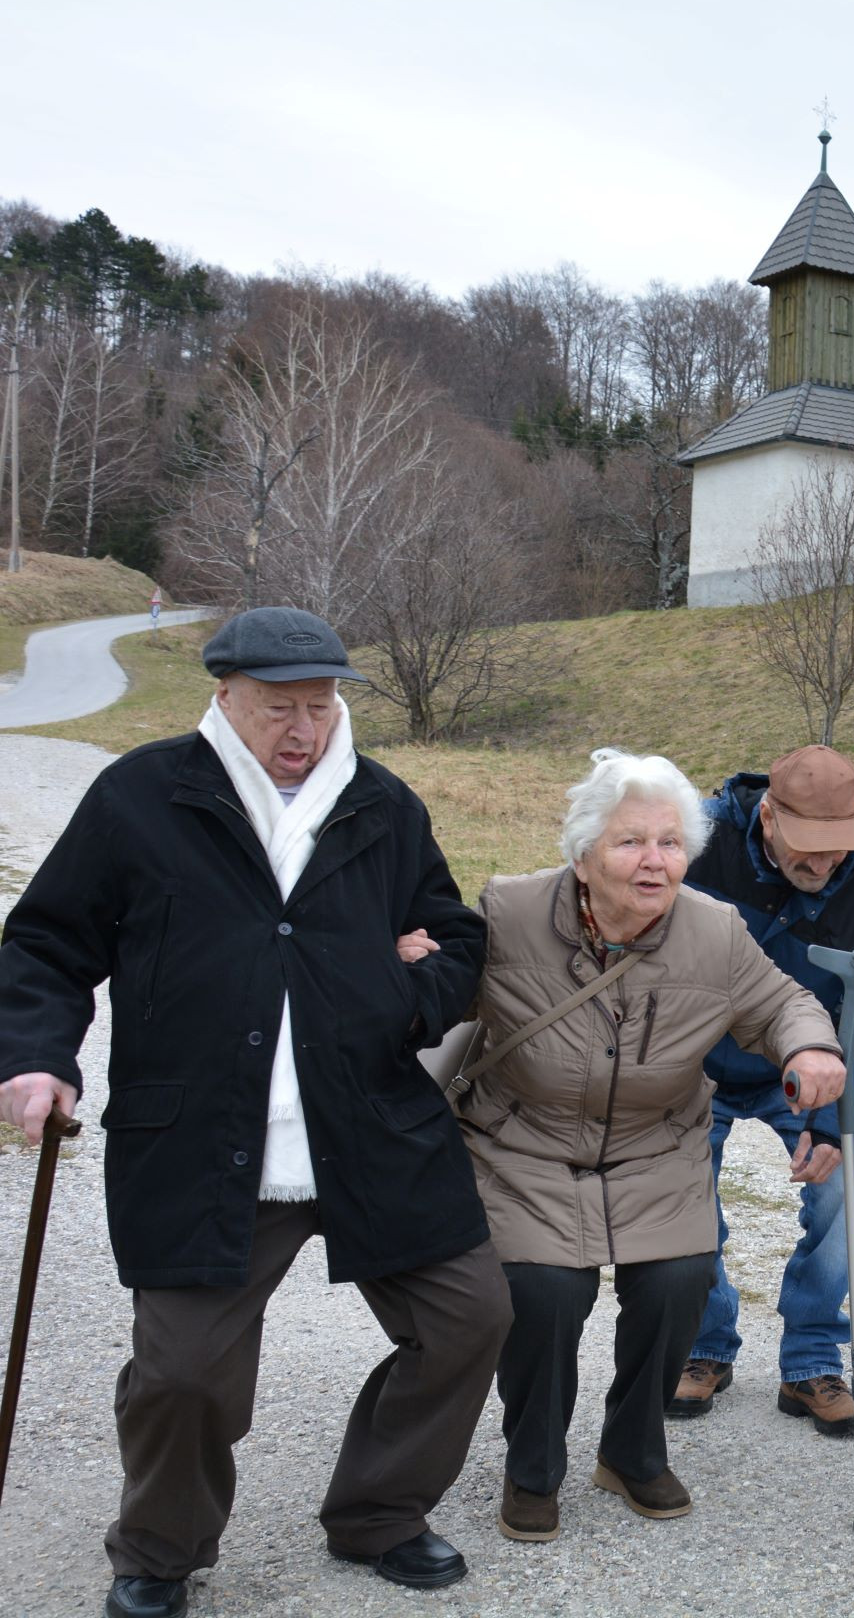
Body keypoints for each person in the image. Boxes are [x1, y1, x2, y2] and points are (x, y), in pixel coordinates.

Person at [0, 606, 509, 1618]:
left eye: (320, 707)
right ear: (224, 695)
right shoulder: (143, 796)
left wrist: (407, 993)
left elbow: (453, 937)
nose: (303, 730)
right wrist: (36, 1058)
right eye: (279, 708)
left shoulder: (381, 804)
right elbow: (47, 945)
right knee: (183, 1376)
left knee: (471, 1319)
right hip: (201, 1141)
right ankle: (160, 1551)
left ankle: (378, 1513)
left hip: (369, 1131)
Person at [460, 749, 846, 1543]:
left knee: (679, 1280)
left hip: (654, 1146)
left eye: (670, 843)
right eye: (631, 841)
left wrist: (811, 1048)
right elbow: (434, 998)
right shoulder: (508, 911)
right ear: (583, 854)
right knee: (544, 1293)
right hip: (526, 1147)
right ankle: (532, 1464)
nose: (654, 861)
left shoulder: (714, 930)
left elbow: (783, 1003)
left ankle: (631, 1450)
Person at [664, 746, 854, 1435]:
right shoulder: (698, 844)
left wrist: (836, 1122)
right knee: (680, 1198)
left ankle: (810, 1359)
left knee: (844, 1194)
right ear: (768, 818)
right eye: (808, 846)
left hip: (807, 1070)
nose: (825, 863)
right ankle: (703, 1343)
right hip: (694, 1064)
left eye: (839, 846)